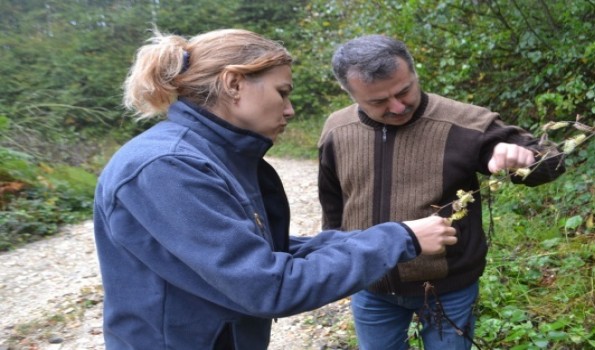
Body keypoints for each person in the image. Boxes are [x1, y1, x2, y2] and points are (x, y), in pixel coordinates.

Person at [93, 28, 460, 350]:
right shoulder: (168, 167)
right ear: (233, 83)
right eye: (282, 92)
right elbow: (269, 285)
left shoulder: (215, 155)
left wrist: (381, 237)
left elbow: (267, 251)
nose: (290, 110)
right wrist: (398, 239)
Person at [317, 34, 565, 350]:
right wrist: (338, 262)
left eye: (404, 90)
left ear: (414, 72)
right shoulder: (336, 130)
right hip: (370, 286)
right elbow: (333, 204)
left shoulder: (466, 121)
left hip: (449, 287)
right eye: (378, 102)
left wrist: (523, 157)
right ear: (349, 93)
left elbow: (551, 160)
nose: (397, 106)